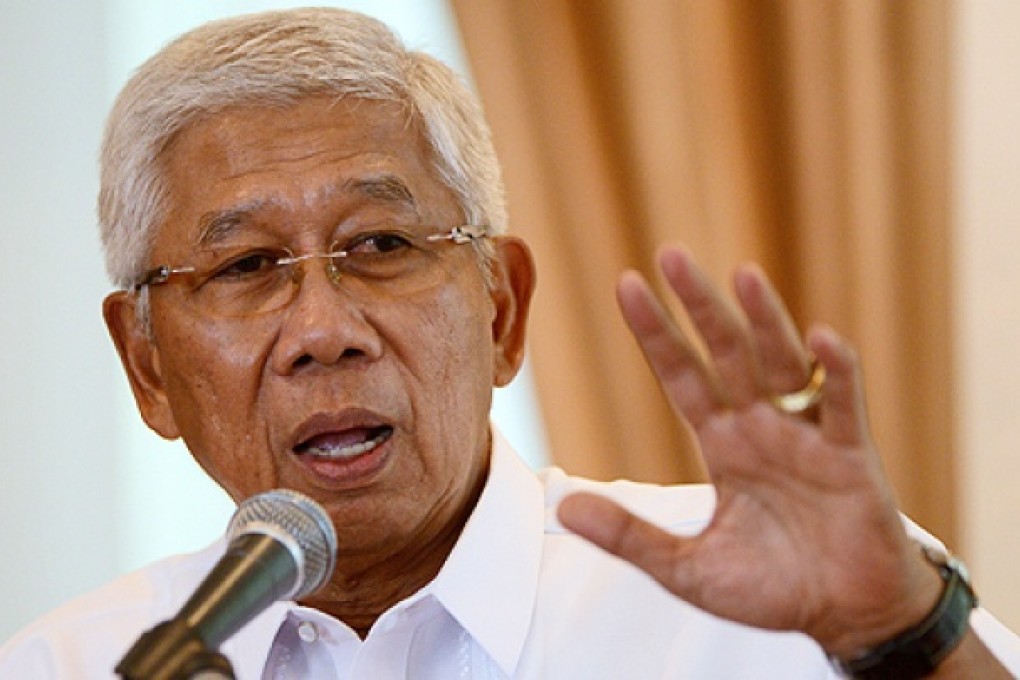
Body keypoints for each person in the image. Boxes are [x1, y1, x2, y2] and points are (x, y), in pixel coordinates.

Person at [1, 7, 1018, 678]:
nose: (323, 330)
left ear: (501, 309)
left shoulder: (775, 606)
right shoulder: (77, 662)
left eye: (383, 243)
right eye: (246, 267)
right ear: (147, 365)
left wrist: (898, 630)